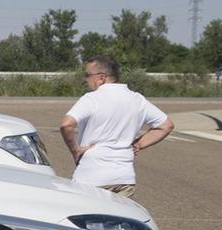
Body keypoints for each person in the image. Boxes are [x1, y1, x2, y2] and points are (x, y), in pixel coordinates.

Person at [59, 55, 174, 197]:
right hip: (124, 177)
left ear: (101, 78)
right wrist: (139, 144)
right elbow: (166, 125)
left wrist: (75, 150)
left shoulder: (92, 98)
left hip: (91, 176)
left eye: (87, 75)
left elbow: (66, 124)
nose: (85, 79)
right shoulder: (137, 99)